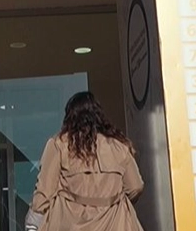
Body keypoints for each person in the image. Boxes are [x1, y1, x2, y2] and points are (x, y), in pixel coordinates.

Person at [30, 91, 144, 231]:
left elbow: (44, 192)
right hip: (115, 224)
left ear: (69, 117)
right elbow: (135, 186)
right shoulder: (119, 147)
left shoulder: (58, 145)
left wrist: (32, 223)